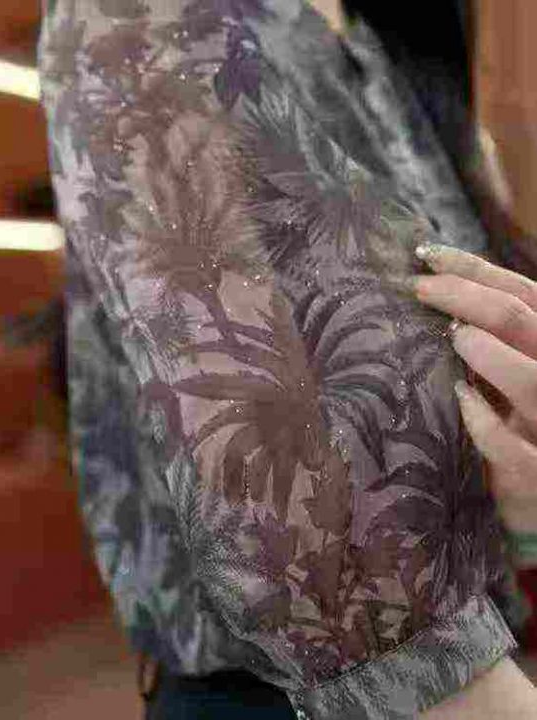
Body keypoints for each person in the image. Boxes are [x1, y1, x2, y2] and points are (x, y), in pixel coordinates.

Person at [38, 0, 536, 717]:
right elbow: (271, 471)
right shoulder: (139, 18)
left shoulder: (388, 51)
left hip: (488, 646)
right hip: (328, 694)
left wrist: (515, 505)